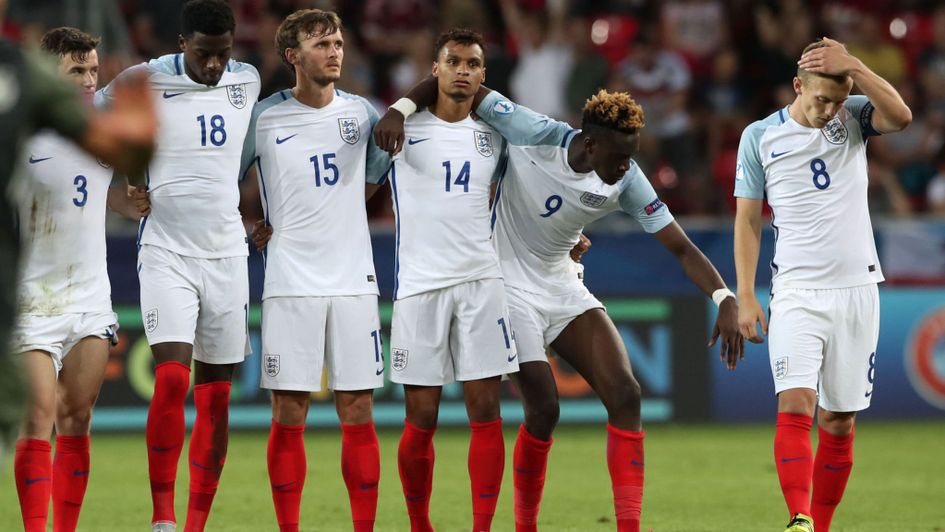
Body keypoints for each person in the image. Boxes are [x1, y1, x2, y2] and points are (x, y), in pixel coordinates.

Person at [374, 86, 743, 532]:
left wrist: (724, 297)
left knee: (626, 393)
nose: (627, 167)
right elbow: (461, 79)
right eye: (621, 156)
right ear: (590, 144)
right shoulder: (533, 134)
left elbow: (682, 249)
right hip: (505, 285)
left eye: (632, 157)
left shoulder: (627, 179)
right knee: (545, 405)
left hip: (562, 283)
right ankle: (525, 525)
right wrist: (401, 109)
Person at [733, 38, 911, 532]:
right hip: (796, 291)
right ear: (797, 86)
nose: (830, 110)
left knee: (839, 420)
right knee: (795, 403)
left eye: (839, 98)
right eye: (820, 100)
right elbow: (747, 222)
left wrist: (855, 64)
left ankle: (821, 526)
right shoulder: (759, 137)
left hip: (858, 289)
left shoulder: (853, 116)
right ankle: (800, 517)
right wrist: (746, 294)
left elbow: (901, 117)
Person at [96, 1, 260, 530]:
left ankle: (194, 524)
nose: (214, 66)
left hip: (228, 254)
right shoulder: (144, 79)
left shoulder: (248, 80)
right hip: (166, 250)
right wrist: (114, 190)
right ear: (182, 43)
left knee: (216, 399)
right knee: (170, 380)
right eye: (204, 54)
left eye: (223, 53)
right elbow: (82, 120)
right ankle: (162, 519)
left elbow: (260, 150)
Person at [240, 9, 389, 532]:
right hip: (289, 282)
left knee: (357, 410)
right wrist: (249, 227)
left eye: (339, 42)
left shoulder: (363, 114)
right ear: (292, 57)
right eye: (321, 43)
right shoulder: (262, 118)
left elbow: (373, 180)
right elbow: (221, 182)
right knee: (289, 412)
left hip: (353, 281)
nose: (334, 51)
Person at [0, 2, 155, 462]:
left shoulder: (94, 130)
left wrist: (132, 202)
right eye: (75, 72)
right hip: (31, 295)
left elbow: (103, 191)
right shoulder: (23, 132)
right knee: (37, 417)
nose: (89, 81)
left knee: (77, 419)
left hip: (88, 294)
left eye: (92, 70)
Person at [387, 29, 517, 532]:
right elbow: (354, 184)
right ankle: (421, 525)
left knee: (486, 411)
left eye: (473, 63)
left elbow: (522, 198)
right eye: (454, 61)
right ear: (434, 68)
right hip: (419, 287)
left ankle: (481, 527)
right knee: (421, 418)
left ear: (484, 75)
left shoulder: (497, 135)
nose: (463, 70)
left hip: (482, 283)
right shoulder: (399, 129)